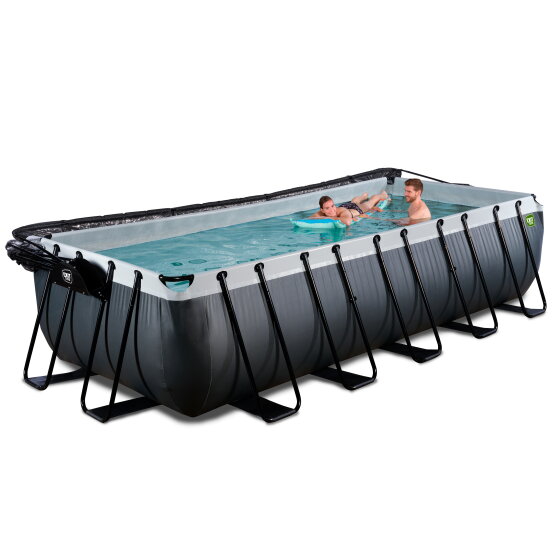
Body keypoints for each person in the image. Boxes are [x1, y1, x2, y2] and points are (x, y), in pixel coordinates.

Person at [310, 191, 390, 226]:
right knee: (353, 201)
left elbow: (348, 222)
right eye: (327, 208)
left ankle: (383, 194)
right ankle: (363, 196)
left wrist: (330, 217)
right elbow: (308, 219)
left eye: (332, 206)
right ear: (322, 210)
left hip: (356, 210)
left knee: (370, 203)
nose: (332, 210)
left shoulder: (341, 212)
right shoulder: (320, 213)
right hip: (345, 205)